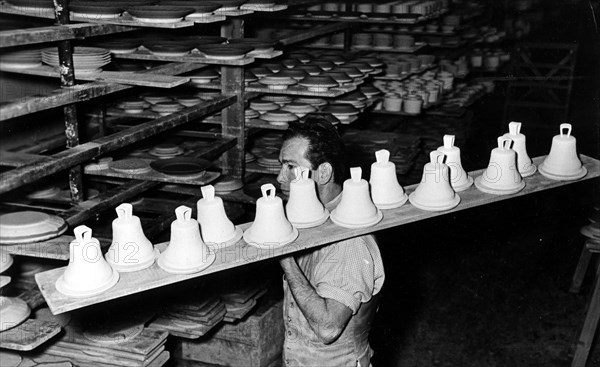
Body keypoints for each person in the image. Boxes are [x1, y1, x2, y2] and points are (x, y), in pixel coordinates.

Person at [276, 115, 385, 367]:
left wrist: (286, 260)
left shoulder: (350, 240)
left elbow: (328, 329)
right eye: (281, 166)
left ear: (323, 172)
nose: (280, 178)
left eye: (291, 167)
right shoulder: (310, 218)